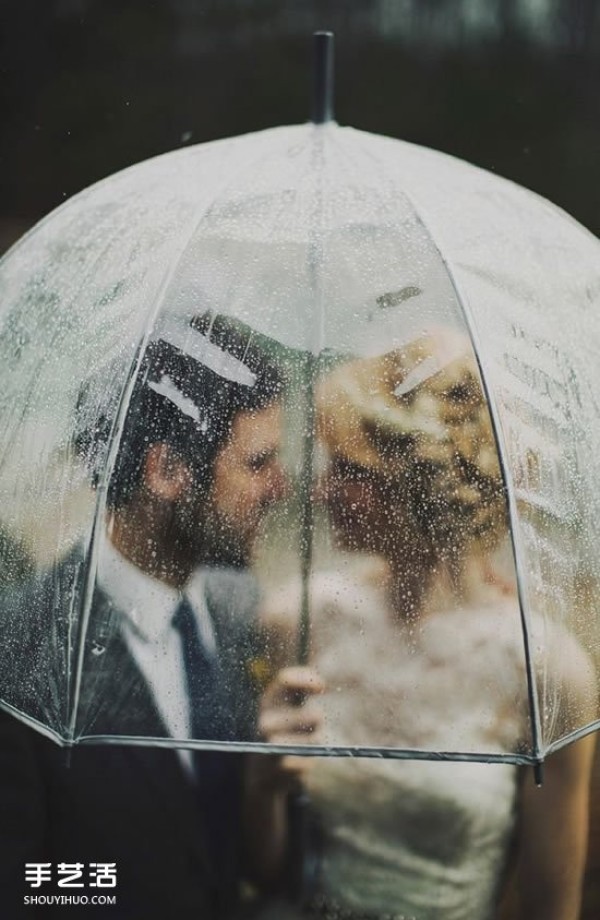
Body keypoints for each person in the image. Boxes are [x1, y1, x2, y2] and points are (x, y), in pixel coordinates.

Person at [260, 330, 597, 920]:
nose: (319, 490)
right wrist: (260, 784)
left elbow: (552, 905)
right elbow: (258, 871)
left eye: (346, 469)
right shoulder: (300, 618)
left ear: (413, 482)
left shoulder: (548, 668)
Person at [0, 310, 320, 918]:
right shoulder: (21, 651)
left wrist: (264, 791)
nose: (281, 488)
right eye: (257, 463)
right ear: (168, 470)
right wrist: (130, 886)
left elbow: (266, 870)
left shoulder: (242, 611)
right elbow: (20, 885)